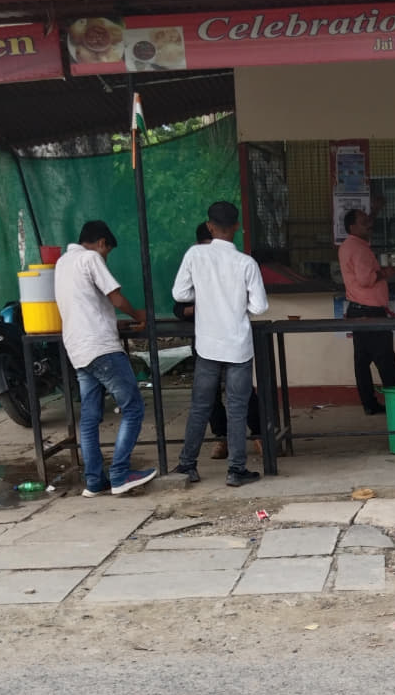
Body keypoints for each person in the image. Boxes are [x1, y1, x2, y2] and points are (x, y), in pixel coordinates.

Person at [53, 220, 157, 497]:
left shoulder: (63, 263)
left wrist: (117, 324)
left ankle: (94, 481)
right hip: (101, 348)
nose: (106, 256)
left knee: (89, 417)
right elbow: (116, 298)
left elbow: (86, 308)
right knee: (133, 406)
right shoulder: (90, 258)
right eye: (107, 251)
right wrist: (139, 316)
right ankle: (121, 474)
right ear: (101, 243)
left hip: (77, 349)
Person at [171, 201, 269, 487]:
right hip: (238, 346)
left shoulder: (195, 255)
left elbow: (180, 293)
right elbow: (260, 307)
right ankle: (236, 470)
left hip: (208, 346)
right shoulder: (246, 263)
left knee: (200, 406)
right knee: (238, 408)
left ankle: (187, 464)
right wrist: (239, 302)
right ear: (236, 227)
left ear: (210, 226)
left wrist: (206, 296)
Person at [338, 208, 395, 415]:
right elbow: (366, 280)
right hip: (371, 312)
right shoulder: (360, 249)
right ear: (352, 227)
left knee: (362, 361)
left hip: (357, 310)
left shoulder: (347, 246)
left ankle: (369, 404)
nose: (369, 225)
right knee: (385, 360)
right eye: (364, 222)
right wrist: (385, 273)